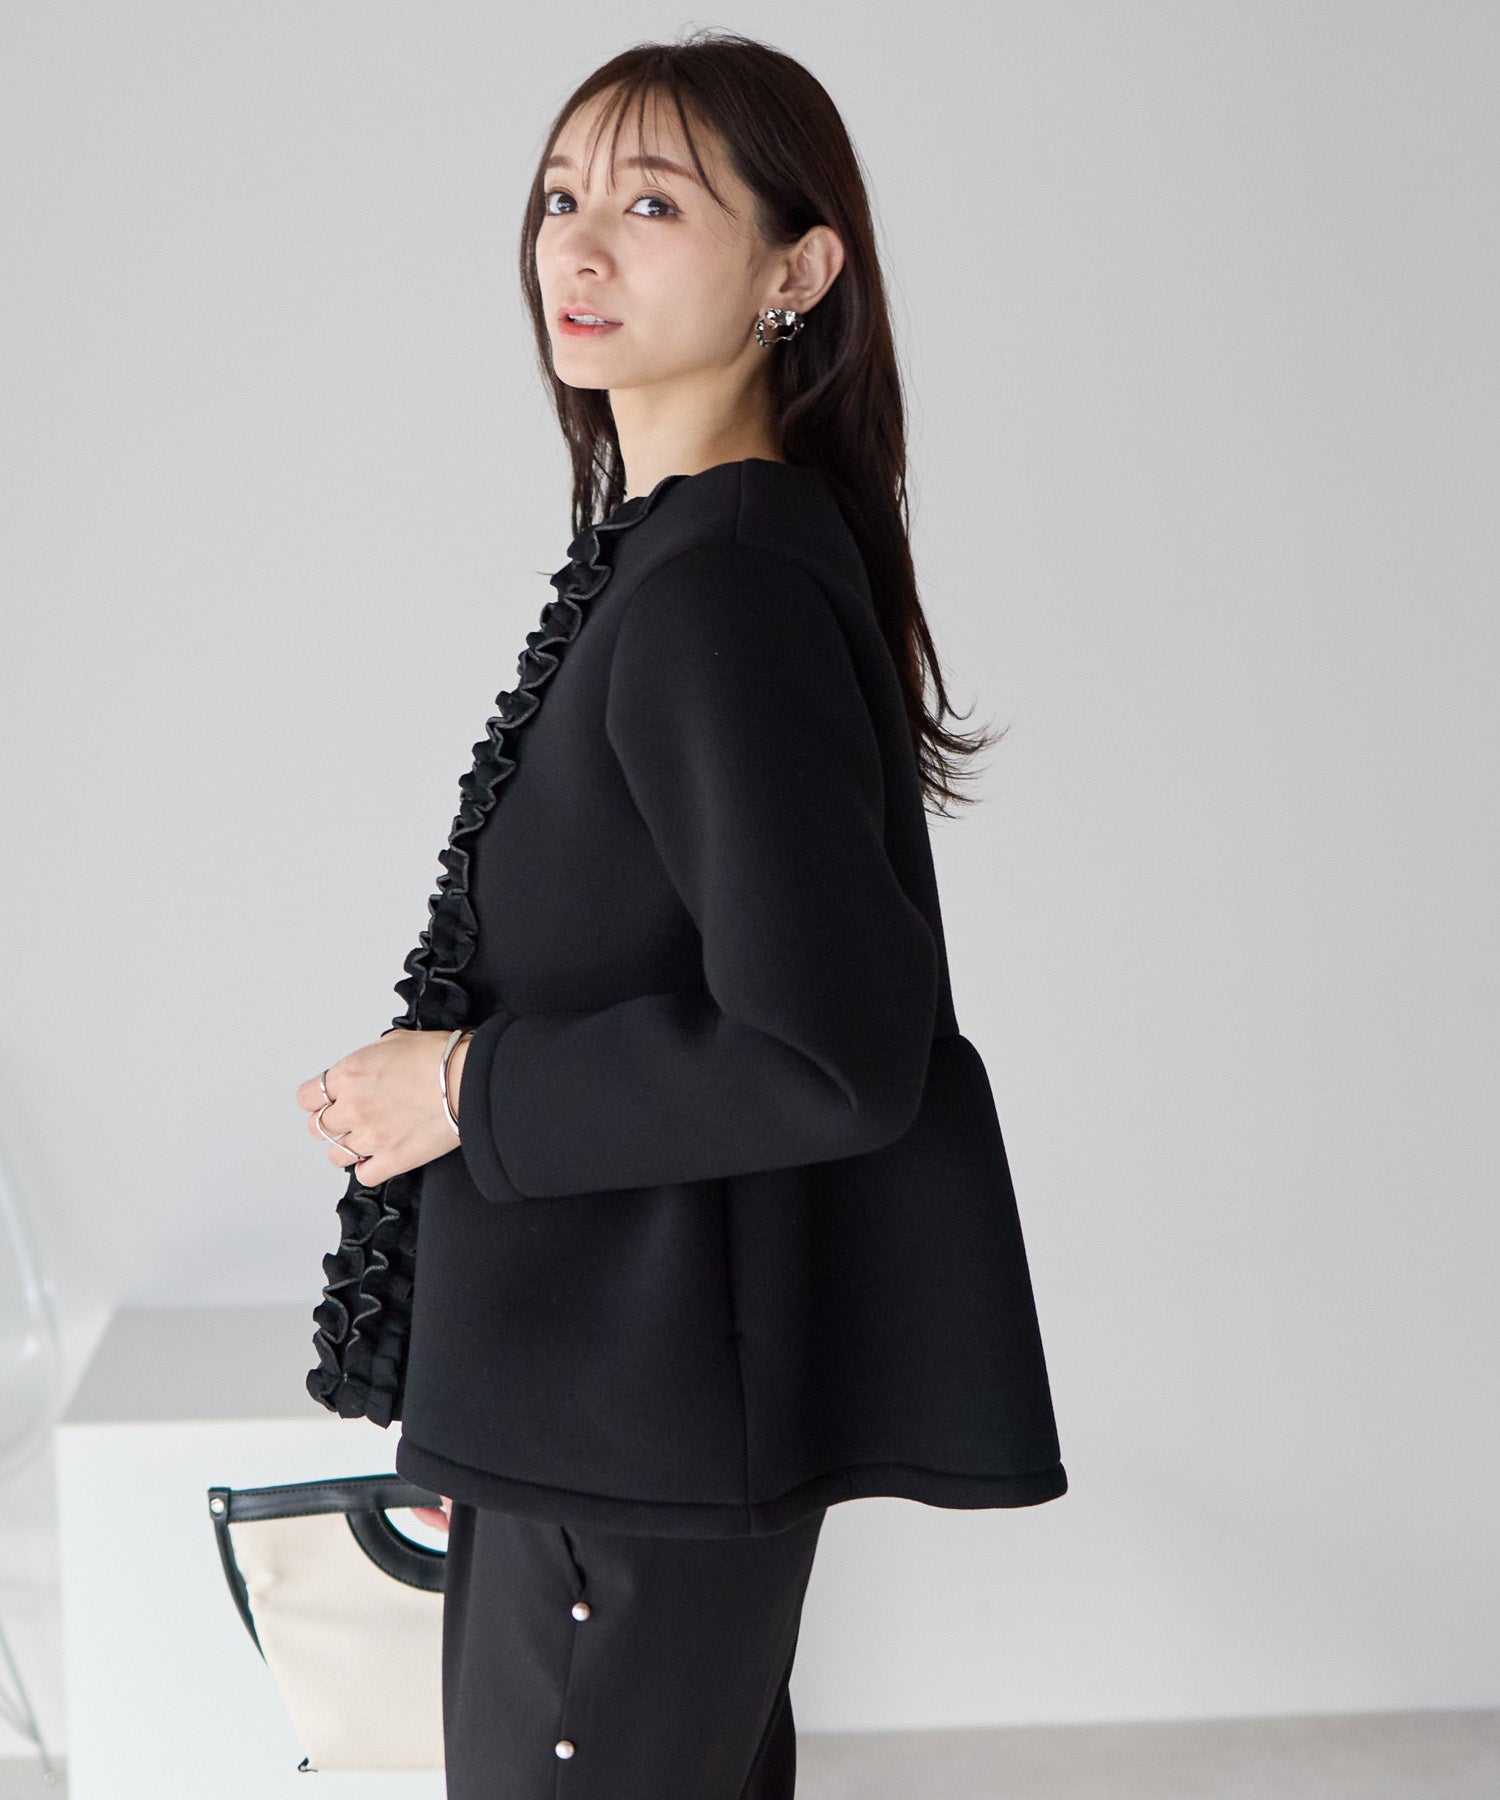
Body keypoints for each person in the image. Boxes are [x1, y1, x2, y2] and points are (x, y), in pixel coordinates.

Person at [295, 28, 1066, 1799]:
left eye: (650, 205)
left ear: (799, 270)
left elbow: (826, 1054)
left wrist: (462, 1088)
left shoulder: (719, 585)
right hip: (606, 1412)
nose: (575, 246)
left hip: (634, 1433)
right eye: (559, 198)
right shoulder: (683, 557)